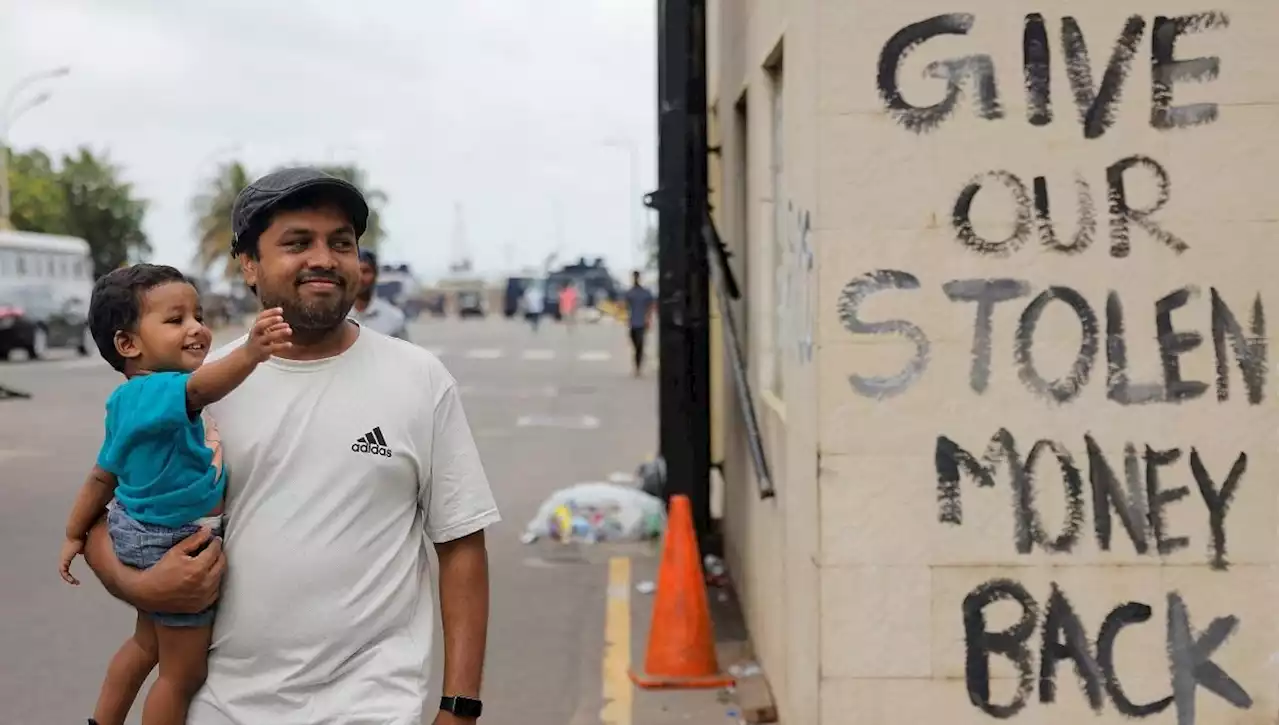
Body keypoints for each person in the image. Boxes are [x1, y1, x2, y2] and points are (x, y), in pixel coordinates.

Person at [80, 167, 501, 725]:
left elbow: (461, 544)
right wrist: (141, 583)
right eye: (298, 242)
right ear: (249, 265)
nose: (324, 258)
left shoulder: (418, 378)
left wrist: (460, 708)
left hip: (371, 707)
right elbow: (105, 521)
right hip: (222, 707)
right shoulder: (196, 389)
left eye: (341, 243)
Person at [60, 265, 293, 725]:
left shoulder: (127, 400)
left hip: (139, 528)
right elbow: (204, 386)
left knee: (146, 644)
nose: (197, 329)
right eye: (175, 320)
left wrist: (73, 533)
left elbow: (101, 476)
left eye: (198, 315)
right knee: (181, 675)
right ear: (129, 345)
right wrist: (251, 351)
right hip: (175, 541)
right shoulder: (164, 390)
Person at [347, 248, 409, 340]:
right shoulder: (338, 316)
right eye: (356, 271)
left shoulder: (393, 318)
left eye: (366, 271)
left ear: (375, 274)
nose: (360, 277)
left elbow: (405, 352)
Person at [624, 270, 655, 376]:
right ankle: (640, 358)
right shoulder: (630, 293)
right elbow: (625, 306)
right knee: (635, 345)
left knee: (639, 345)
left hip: (642, 322)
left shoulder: (645, 293)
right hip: (633, 322)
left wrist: (648, 318)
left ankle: (638, 368)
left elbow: (651, 306)